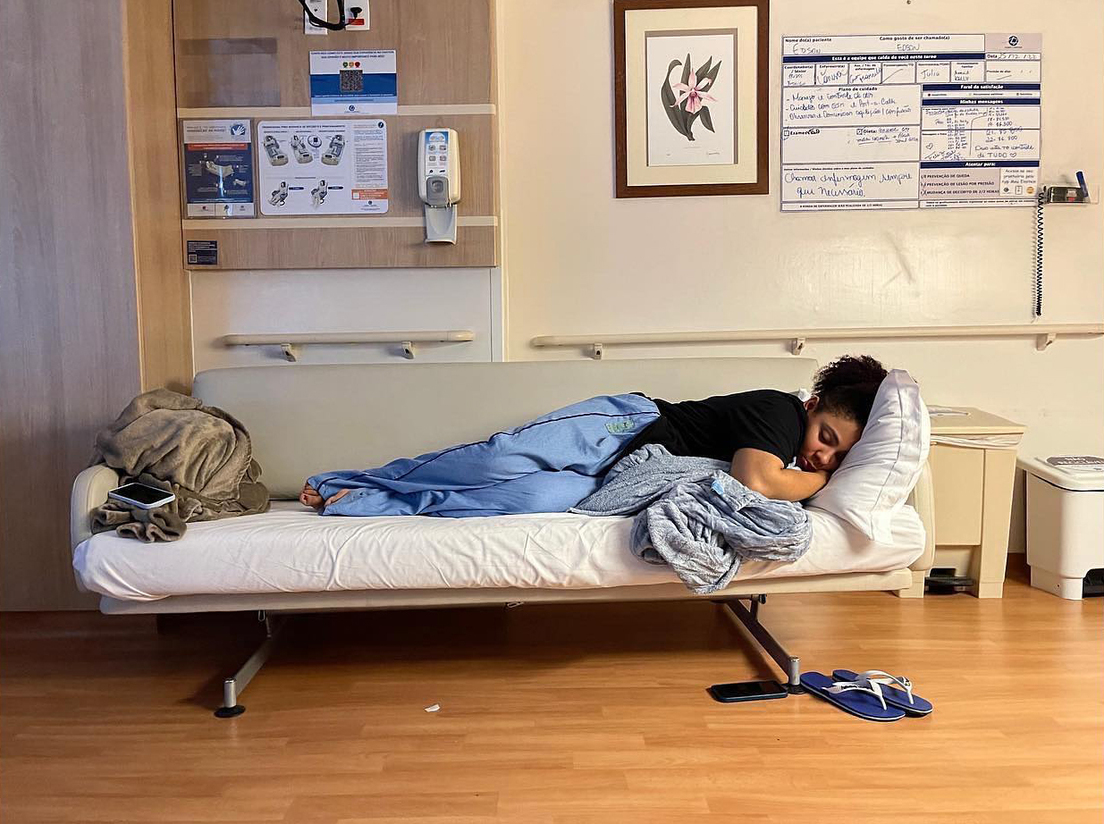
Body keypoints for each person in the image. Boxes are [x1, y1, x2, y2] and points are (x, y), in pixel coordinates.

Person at [299, 355, 888, 513]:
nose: (821, 456)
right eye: (827, 437)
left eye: (837, 458)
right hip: (620, 426)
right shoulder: (782, 414)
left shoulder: (794, 458)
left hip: (619, 476)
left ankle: (360, 501)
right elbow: (755, 481)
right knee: (495, 460)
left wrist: (810, 478)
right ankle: (352, 478)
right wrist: (816, 485)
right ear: (813, 406)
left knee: (524, 499)